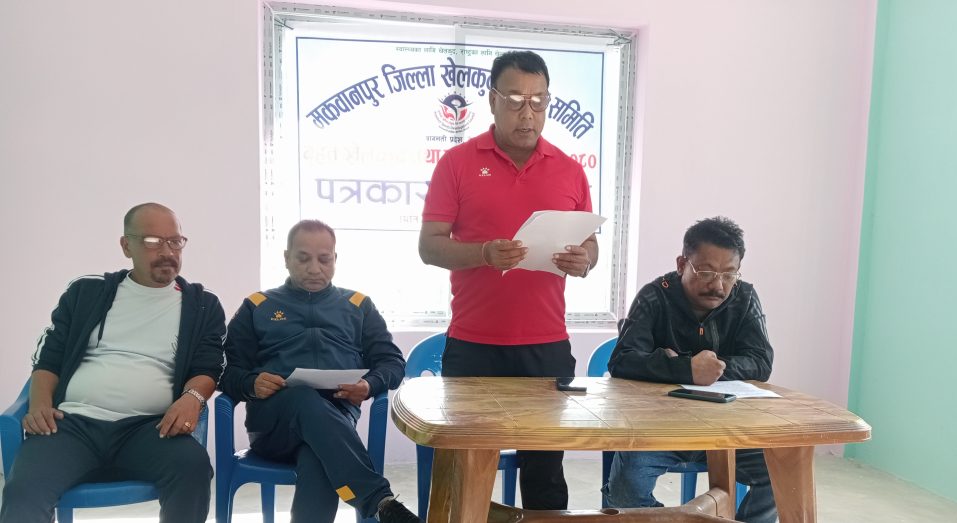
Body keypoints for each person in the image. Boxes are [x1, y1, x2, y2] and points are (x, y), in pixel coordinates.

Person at [418, 50, 598, 510]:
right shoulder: (457, 163)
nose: (527, 112)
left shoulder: (570, 169)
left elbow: (590, 245)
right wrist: (483, 253)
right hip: (474, 345)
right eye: (516, 99)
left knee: (545, 474)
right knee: (466, 469)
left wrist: (584, 260)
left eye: (539, 101)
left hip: (546, 346)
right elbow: (430, 247)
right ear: (493, 99)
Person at [0, 203, 225, 523]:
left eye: (175, 241)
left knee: (193, 467)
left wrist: (193, 397)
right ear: (126, 246)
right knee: (24, 490)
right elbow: (49, 357)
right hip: (72, 426)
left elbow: (208, 366)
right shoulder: (87, 292)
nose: (167, 252)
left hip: (150, 429)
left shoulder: (202, 305)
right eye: (152, 241)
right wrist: (38, 404)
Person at [218, 219, 419, 523]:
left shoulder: (358, 306)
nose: (314, 269)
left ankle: (382, 506)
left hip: (335, 425)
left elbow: (392, 362)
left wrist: (369, 385)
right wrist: (250, 382)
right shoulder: (257, 306)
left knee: (319, 459)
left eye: (324, 259)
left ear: (335, 259)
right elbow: (225, 371)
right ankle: (380, 501)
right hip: (273, 425)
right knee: (302, 397)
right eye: (303, 259)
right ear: (286, 258)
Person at [602, 216, 777, 523]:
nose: (718, 285)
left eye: (729, 274)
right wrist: (686, 368)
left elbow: (761, 362)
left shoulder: (745, 298)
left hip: (728, 431)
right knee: (625, 489)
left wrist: (711, 368)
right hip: (660, 430)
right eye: (706, 272)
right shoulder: (654, 296)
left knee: (780, 471)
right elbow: (622, 360)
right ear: (682, 263)